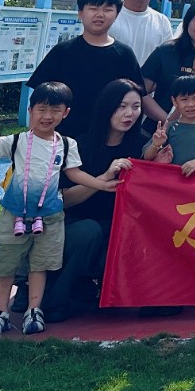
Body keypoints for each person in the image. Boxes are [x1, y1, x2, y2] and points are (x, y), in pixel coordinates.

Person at [0, 84, 112, 338]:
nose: (47, 116)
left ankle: (33, 310)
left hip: (50, 217)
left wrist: (101, 184)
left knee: (40, 265)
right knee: (6, 265)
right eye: (42, 109)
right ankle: (0, 312)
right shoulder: (18, 141)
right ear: (30, 110)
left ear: (65, 113)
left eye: (55, 110)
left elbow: (74, 174)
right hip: (15, 214)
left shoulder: (67, 145)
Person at [32, 79, 146, 323]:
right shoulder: (79, 146)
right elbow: (63, 200)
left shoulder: (144, 145)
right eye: (122, 106)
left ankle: (96, 291)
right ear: (107, 107)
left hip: (120, 228)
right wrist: (102, 179)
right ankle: (53, 301)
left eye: (136, 107)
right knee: (88, 231)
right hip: (76, 225)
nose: (129, 113)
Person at [28, 0, 143, 145]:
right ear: (80, 13)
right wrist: (33, 139)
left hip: (107, 141)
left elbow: (137, 96)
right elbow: (39, 97)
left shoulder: (124, 55)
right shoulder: (63, 51)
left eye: (108, 9)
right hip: (63, 138)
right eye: (93, 8)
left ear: (117, 14)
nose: (100, 14)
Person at [141, 0, 195, 121]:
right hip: (158, 127)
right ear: (187, 21)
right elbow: (141, 91)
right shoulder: (166, 51)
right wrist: (168, 122)